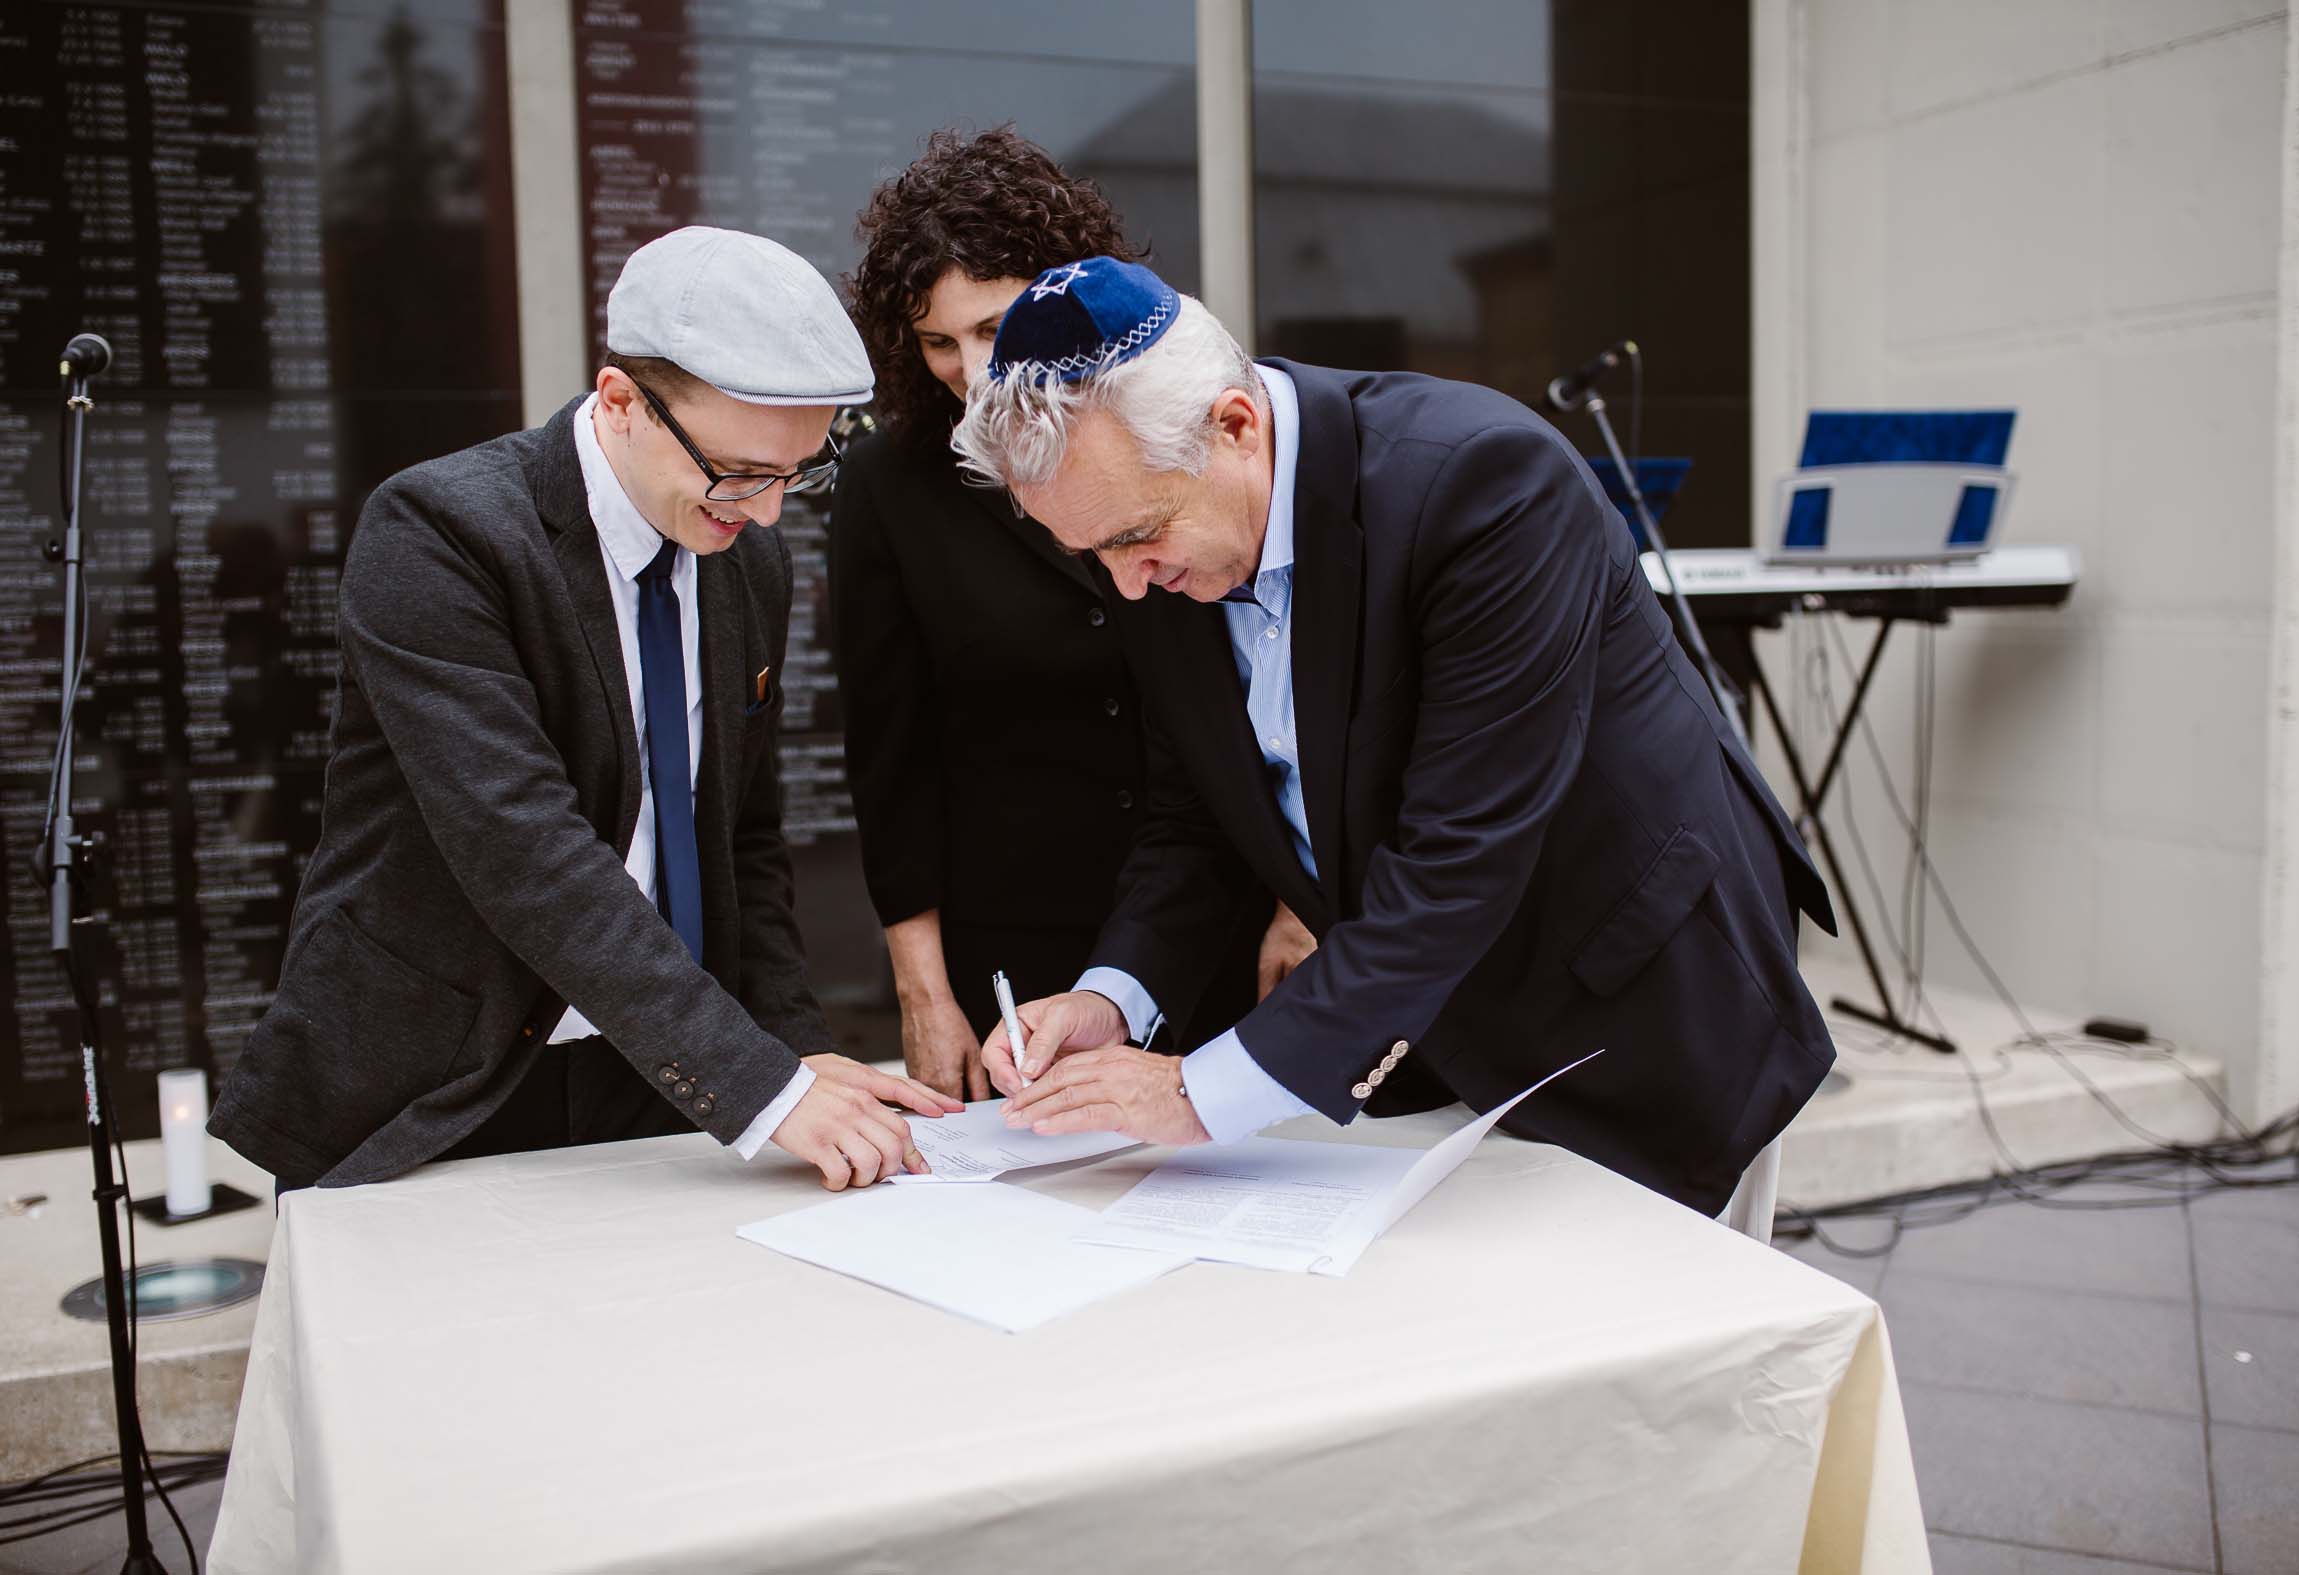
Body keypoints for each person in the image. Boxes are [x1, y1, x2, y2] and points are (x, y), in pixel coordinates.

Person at [956, 257, 1840, 1215]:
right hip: (1428, 1038)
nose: (1127, 586)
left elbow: (1461, 860)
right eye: (1092, 556)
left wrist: (1190, 1093)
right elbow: (1200, 813)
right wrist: (1115, 999)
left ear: (1236, 427)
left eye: (1135, 539)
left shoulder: (1486, 487)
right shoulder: (1159, 528)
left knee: (1671, 1348)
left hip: (1634, 1002)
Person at [210, 226, 955, 1194]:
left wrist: (793, 1051)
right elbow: (524, 850)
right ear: (620, 402)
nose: (768, 514)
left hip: (667, 1076)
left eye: (798, 475)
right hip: (443, 1084)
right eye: (738, 473)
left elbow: (746, 837)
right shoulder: (440, 535)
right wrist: (763, 1085)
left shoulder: (746, 557)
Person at [831, 128, 1298, 1102]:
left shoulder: (1178, 438)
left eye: (993, 329)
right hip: (1022, 940)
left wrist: (1306, 901)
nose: (966, 367)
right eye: (935, 340)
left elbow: (1277, 674)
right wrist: (921, 990)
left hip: (1223, 899)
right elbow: (889, 756)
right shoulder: (887, 486)